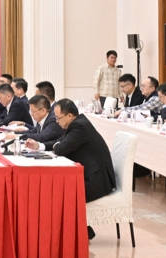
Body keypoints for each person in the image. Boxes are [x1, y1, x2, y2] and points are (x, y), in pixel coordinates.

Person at [26, 99, 115, 239]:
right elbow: (59, 143)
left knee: (60, 192)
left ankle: (77, 232)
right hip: (90, 175)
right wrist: (39, 146)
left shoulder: (79, 126)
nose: (56, 121)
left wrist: (58, 145)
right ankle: (77, 231)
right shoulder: (76, 123)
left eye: (58, 118)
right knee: (57, 187)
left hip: (97, 180)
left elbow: (61, 148)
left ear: (69, 115)